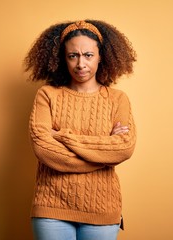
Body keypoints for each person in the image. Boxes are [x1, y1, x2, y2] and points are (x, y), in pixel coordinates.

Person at [24, 19, 137, 240]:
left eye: (88, 55)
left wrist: (64, 137)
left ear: (101, 56)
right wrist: (102, 154)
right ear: (63, 59)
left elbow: (123, 148)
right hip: (51, 207)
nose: (81, 64)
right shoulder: (47, 95)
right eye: (73, 55)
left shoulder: (117, 99)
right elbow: (43, 148)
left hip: (102, 209)